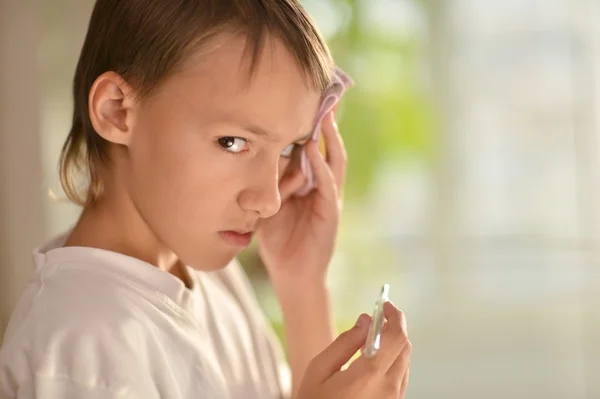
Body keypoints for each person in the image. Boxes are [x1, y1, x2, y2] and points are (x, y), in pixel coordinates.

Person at [0, 0, 411, 398]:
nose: (269, 200)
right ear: (117, 111)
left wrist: (302, 286)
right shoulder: (85, 346)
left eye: (288, 149)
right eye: (233, 142)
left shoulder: (208, 274)